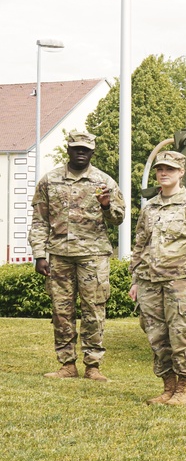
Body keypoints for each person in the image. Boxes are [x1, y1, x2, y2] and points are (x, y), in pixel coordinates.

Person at [29, 130, 125, 381]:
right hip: (59, 255)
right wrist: (40, 254)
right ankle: (67, 364)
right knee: (61, 311)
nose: (81, 152)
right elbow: (39, 220)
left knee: (94, 310)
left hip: (93, 256)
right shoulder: (49, 181)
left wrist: (106, 205)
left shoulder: (104, 182)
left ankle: (93, 366)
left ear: (93, 152)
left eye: (86, 149)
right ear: (68, 150)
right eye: (76, 148)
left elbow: (119, 219)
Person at [128, 150, 186, 406]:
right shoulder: (150, 206)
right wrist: (135, 279)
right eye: (160, 169)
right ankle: (168, 388)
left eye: (170, 169)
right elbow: (140, 244)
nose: (164, 173)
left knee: (180, 334)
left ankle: (184, 390)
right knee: (156, 335)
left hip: (180, 281)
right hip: (149, 281)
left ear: (181, 172)